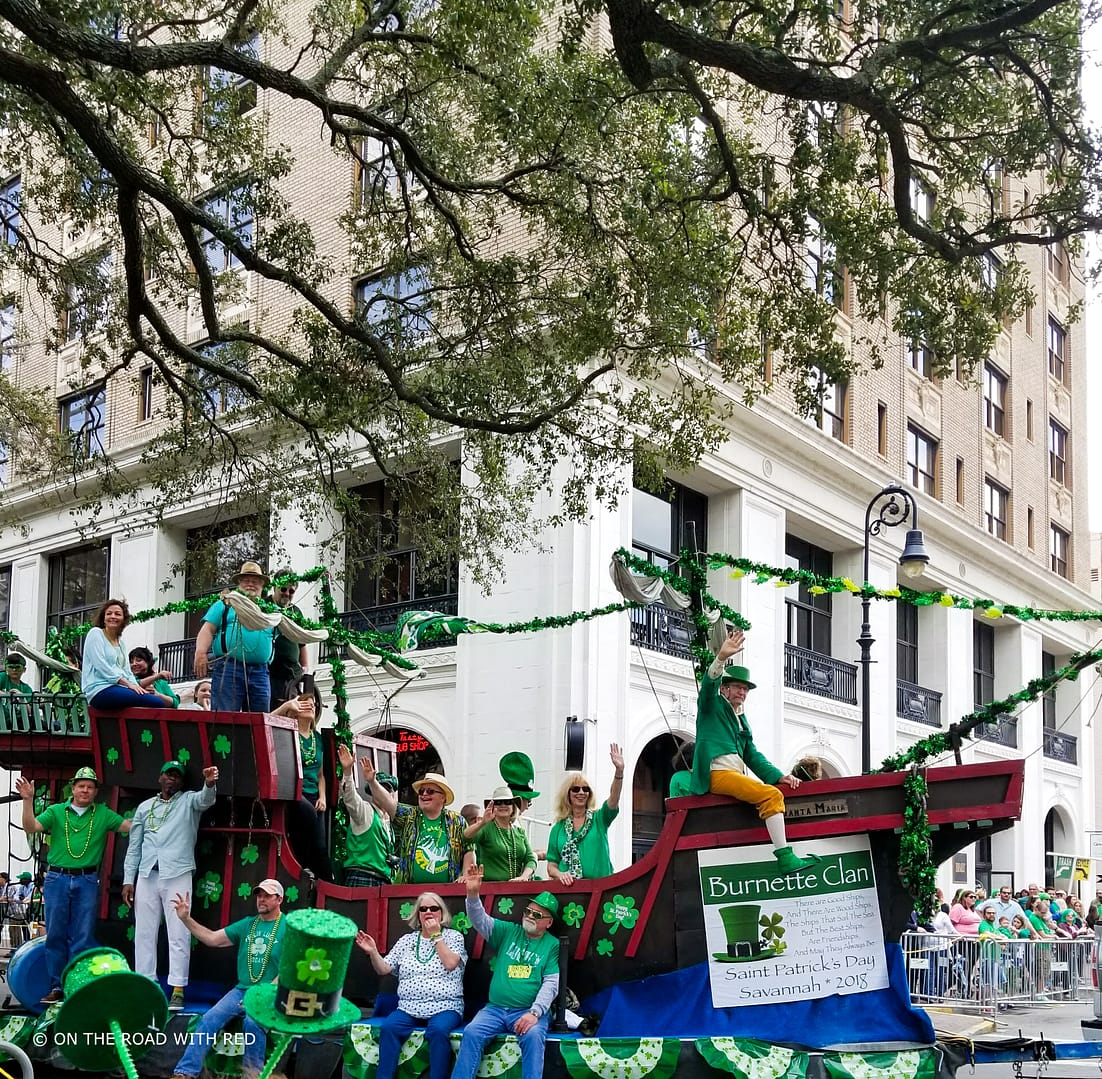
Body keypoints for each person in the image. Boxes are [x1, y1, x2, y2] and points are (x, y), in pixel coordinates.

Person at [691, 629, 817, 874]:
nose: (743, 692)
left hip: (733, 775)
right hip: (717, 774)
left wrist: (779, 776)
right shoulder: (711, 706)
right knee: (771, 796)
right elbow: (708, 687)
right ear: (724, 689)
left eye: (746, 689)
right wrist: (720, 658)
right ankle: (785, 857)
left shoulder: (742, 719)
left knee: (770, 791)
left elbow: (752, 755)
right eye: (738, 687)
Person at [17, 766, 133, 1003]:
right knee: (55, 934)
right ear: (73, 788)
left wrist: (156, 814)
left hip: (87, 879)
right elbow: (31, 827)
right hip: (57, 878)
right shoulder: (56, 811)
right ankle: (56, 986)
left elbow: (130, 827)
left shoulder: (103, 813)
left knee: (83, 935)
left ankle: (75, 985)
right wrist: (27, 800)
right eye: (81, 786)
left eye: (90, 787)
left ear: (96, 792)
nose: (85, 790)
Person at [122, 759, 219, 1011]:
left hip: (177, 873)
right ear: (160, 778)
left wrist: (209, 783)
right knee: (144, 933)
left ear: (182, 782)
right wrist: (128, 880)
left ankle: (177, 989)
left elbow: (205, 800)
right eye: (168, 774)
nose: (172, 779)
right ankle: (146, 985)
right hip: (147, 874)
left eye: (177, 776)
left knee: (178, 932)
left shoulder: (188, 801)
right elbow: (134, 847)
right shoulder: (145, 807)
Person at [169, 881, 287, 1079]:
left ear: (279, 899)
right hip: (242, 990)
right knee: (208, 1019)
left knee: (252, 1024)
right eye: (259, 895)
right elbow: (212, 938)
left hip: (270, 992)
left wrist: (261, 997)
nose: (261, 899)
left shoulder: (287, 926)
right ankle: (184, 1073)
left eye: (267, 896)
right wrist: (186, 919)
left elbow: (287, 969)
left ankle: (253, 1076)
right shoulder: (248, 924)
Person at [451, 865, 559, 1079]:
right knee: (471, 1032)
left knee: (534, 1036)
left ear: (549, 922)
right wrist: (472, 894)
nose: (530, 916)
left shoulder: (552, 944)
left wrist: (535, 1013)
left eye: (537, 914)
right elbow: (480, 920)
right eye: (528, 911)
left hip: (527, 1010)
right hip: (495, 1009)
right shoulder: (509, 931)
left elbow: (551, 983)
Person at [354, 892, 466, 1079]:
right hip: (408, 1007)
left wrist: (436, 936)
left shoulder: (454, 937)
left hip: (445, 1006)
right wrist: (373, 952)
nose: (428, 912)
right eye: (423, 909)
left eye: (434, 908)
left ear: (442, 913)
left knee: (438, 1031)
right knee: (389, 1028)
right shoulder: (407, 940)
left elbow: (450, 963)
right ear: (418, 914)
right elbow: (384, 968)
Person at [193, 561, 276, 712]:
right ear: (239, 583)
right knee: (225, 716)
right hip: (229, 667)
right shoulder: (225, 604)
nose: (250, 584)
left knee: (260, 719)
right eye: (246, 580)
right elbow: (208, 629)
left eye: (255, 581)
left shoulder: (271, 611)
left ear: (262, 585)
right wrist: (200, 652)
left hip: (260, 672)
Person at [369, 771, 474, 884]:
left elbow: (469, 848)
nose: (424, 794)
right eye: (421, 791)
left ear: (443, 797)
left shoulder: (457, 821)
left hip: (448, 890)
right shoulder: (409, 815)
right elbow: (387, 801)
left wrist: (466, 875)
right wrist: (372, 781)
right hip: (409, 890)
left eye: (430, 791)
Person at [274, 680, 331, 880]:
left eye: (313, 705)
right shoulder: (288, 732)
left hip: (314, 794)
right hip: (295, 791)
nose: (311, 707)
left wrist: (323, 797)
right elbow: (266, 721)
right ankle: (302, 868)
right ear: (296, 709)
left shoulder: (318, 739)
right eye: (306, 703)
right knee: (307, 815)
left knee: (320, 844)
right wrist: (286, 706)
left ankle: (325, 881)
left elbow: (321, 775)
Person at [545, 747, 623, 885]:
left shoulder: (599, 819)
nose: (581, 793)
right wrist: (560, 874)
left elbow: (613, 799)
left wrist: (619, 772)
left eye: (585, 789)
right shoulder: (558, 828)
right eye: (576, 789)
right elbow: (551, 866)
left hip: (600, 888)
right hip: (569, 890)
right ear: (567, 794)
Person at [82, 599, 168, 710]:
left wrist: (136, 686)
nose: (113, 616)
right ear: (104, 618)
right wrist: (128, 685)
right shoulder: (96, 633)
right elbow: (101, 666)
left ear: (123, 619)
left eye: (117, 614)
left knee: (155, 700)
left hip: (118, 688)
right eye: (109, 613)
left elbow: (127, 671)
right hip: (99, 689)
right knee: (156, 702)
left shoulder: (121, 643)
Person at [336, 744, 393, 887]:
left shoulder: (389, 821)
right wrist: (347, 771)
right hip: (363, 875)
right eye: (379, 788)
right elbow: (350, 798)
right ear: (372, 791)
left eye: (387, 789)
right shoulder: (365, 811)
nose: (383, 792)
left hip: (384, 881)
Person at [468, 787, 537, 882]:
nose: (503, 805)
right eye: (498, 802)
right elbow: (466, 837)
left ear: (513, 807)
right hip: (491, 888)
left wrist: (524, 877)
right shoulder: (486, 828)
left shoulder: (519, 832)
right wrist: (482, 822)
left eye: (507, 802)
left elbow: (531, 859)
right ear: (492, 807)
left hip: (516, 887)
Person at [267, 569, 308, 708]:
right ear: (275, 587)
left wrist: (305, 668)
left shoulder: (296, 612)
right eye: (283, 589)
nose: (287, 594)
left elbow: (302, 643)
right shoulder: (264, 606)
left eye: (291, 591)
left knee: (292, 711)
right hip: (270, 672)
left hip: (292, 675)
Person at [3, 872, 34, 946]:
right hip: (22, 911)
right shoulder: (21, 887)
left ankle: (17, 945)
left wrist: (23, 899)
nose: (20, 880)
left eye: (22, 879)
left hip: (30, 911)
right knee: (24, 927)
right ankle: (21, 945)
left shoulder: (33, 886)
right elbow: (15, 897)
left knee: (15, 924)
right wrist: (21, 899)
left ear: (27, 879)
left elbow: (29, 898)